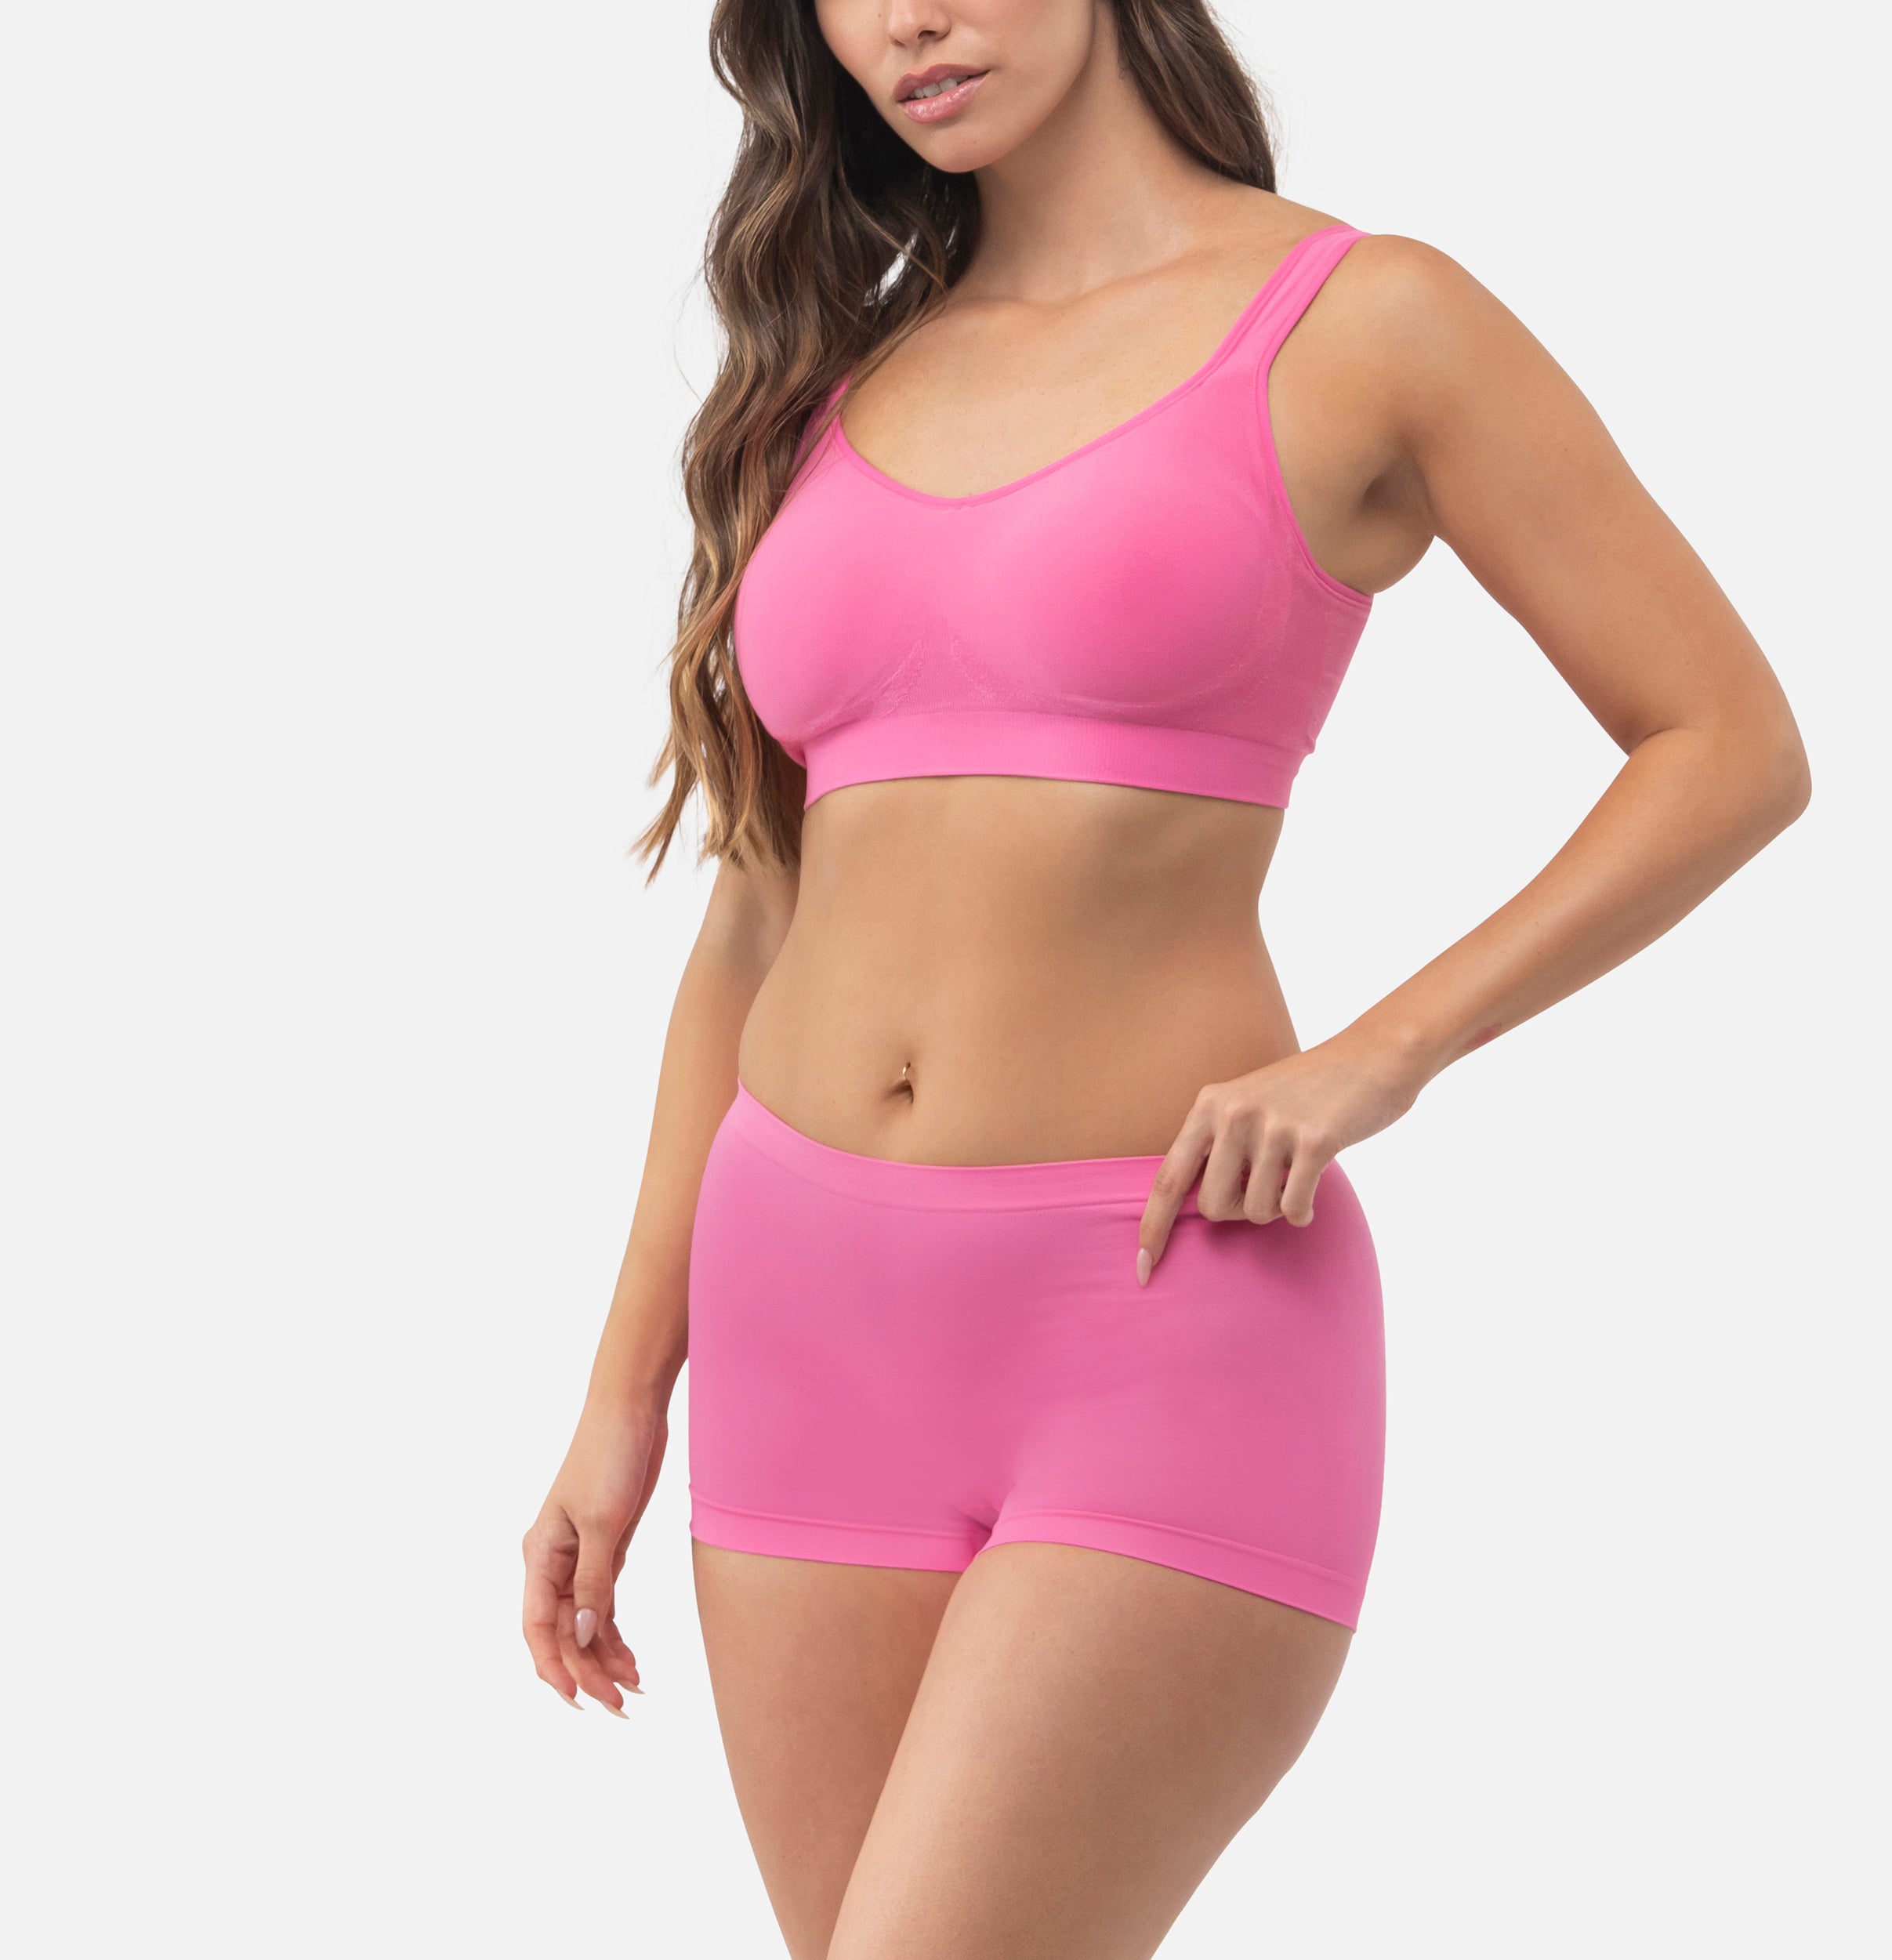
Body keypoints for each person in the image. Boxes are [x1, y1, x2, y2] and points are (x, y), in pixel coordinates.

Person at [522, 3, 1810, 1953]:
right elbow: (759, 913)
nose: (902, 21)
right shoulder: (836, 377)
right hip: (799, 1324)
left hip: (1154, 1311)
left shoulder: (1361, 323)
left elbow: (1723, 743)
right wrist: (623, 1394)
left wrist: (1379, 1054)